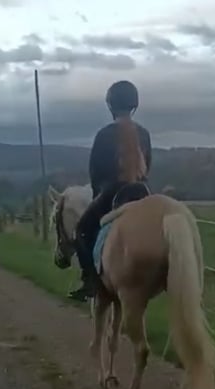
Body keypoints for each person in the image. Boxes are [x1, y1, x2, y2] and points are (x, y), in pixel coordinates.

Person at [68, 80, 152, 302]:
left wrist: (98, 196)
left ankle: (90, 282)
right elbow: (148, 166)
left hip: (112, 194)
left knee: (81, 231)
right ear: (134, 105)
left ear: (111, 105)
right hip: (143, 193)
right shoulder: (144, 133)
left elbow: (95, 174)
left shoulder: (104, 135)